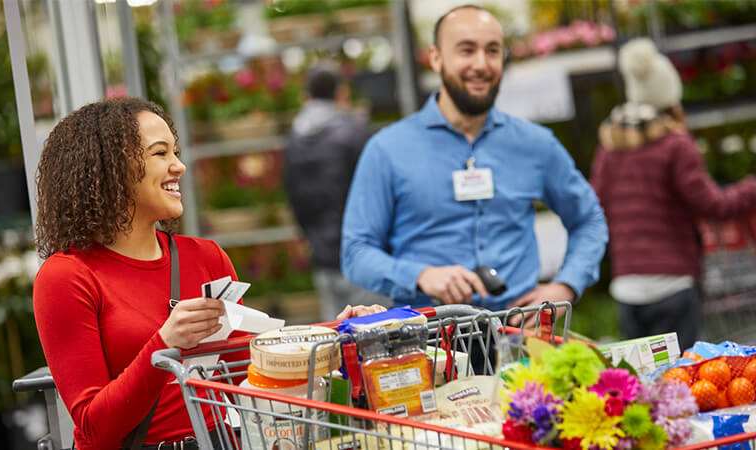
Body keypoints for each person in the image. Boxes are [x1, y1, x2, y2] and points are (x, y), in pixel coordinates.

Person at [32, 97, 384, 450]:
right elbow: (95, 429)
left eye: (176, 151)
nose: (179, 166)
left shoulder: (205, 257)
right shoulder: (67, 277)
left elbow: (252, 377)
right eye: (160, 153)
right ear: (110, 168)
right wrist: (165, 343)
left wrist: (339, 337)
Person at [341, 5, 608, 326]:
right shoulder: (387, 149)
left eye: (492, 51)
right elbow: (356, 252)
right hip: (430, 345)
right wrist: (420, 275)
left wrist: (566, 285)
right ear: (436, 58)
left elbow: (589, 219)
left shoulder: (535, 144)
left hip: (523, 338)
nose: (481, 64)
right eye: (466, 50)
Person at [590, 38, 756, 351]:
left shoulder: (609, 146)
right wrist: (751, 187)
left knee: (642, 388)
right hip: (674, 285)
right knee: (679, 384)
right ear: (669, 94)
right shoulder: (675, 145)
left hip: (626, 288)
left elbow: (594, 208)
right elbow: (713, 205)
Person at [284, 66, 391, 321]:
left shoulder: (294, 140)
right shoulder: (355, 131)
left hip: (322, 253)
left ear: (307, 96)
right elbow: (380, 190)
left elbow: (293, 196)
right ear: (341, 93)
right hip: (363, 252)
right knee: (377, 332)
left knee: (335, 338)